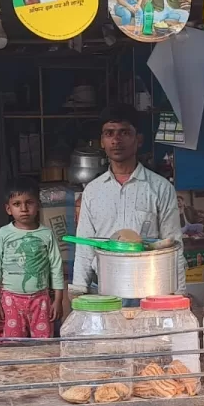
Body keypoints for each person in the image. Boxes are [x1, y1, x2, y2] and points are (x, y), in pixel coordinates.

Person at [71, 103, 186, 297]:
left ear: (138, 139)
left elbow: (173, 245)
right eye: (109, 133)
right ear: (102, 141)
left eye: (124, 132)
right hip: (103, 293)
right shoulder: (92, 191)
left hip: (150, 290)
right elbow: (84, 246)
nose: (116, 140)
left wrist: (180, 294)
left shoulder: (160, 188)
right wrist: (78, 291)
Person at [0, 179, 64, 338]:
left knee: (43, 342)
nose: (23, 209)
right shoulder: (3, 234)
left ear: (38, 206)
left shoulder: (46, 234)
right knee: (14, 343)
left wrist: (58, 300)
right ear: (8, 209)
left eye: (29, 203)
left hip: (41, 300)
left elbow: (56, 267)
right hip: (11, 299)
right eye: (17, 204)